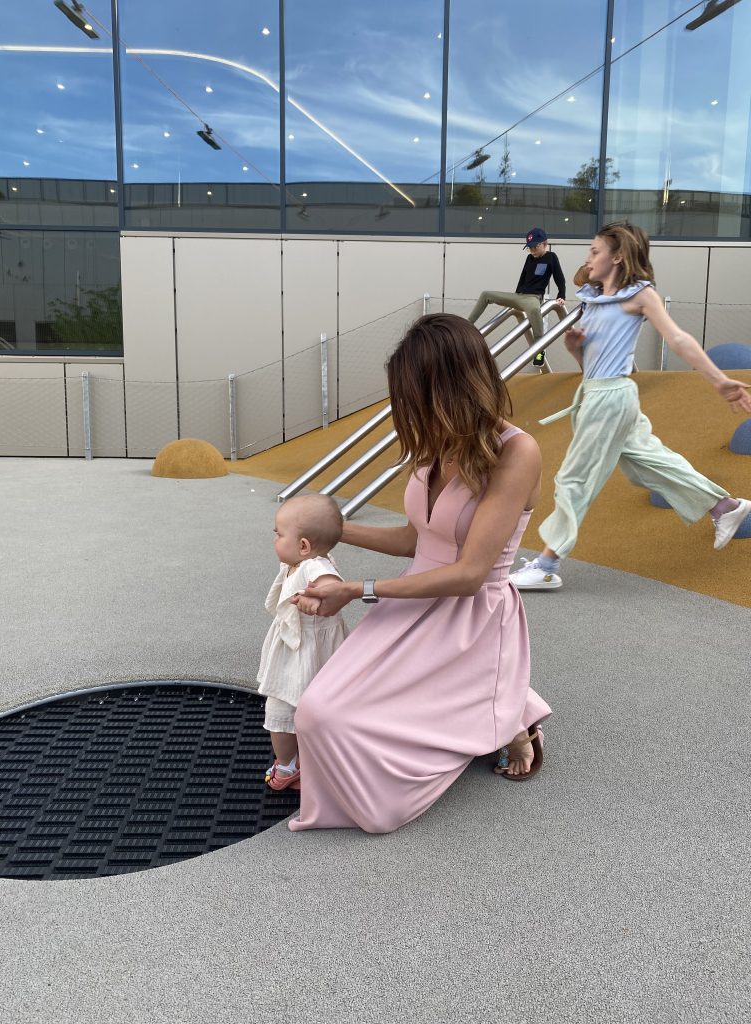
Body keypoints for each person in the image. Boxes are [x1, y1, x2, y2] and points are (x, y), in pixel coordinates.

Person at [286, 313, 551, 834]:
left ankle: (507, 720)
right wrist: (328, 532)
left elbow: (470, 573)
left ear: (450, 389)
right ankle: (499, 711)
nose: (404, 410)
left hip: (471, 617)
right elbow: (416, 539)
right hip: (412, 599)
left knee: (345, 730)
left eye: (413, 396)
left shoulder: (516, 452)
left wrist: (355, 591)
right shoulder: (435, 444)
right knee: (317, 714)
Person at [510, 221, 751, 592]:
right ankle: (726, 507)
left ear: (618, 256)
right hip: (599, 393)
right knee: (650, 463)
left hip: (612, 398)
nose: (588, 258)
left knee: (574, 478)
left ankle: (546, 565)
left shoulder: (641, 295)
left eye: (595, 251)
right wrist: (577, 350)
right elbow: (591, 364)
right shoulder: (592, 299)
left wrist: (719, 380)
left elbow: (679, 338)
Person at [256, 494, 347, 791]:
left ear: (304, 545)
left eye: (279, 534)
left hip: (305, 651)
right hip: (299, 647)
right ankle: (304, 763)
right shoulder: (297, 562)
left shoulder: (313, 565)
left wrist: (316, 595)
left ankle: (287, 765)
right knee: (303, 708)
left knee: (281, 709)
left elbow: (332, 583)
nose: (274, 538)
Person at [467, 226, 567, 366]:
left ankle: (539, 349)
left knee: (534, 310)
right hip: (520, 295)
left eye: (534, 247)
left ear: (544, 243)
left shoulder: (551, 257)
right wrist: (514, 298)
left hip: (533, 298)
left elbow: (559, 278)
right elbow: (522, 278)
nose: (532, 251)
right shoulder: (529, 258)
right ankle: (467, 324)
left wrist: (561, 295)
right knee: (485, 294)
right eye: (529, 248)